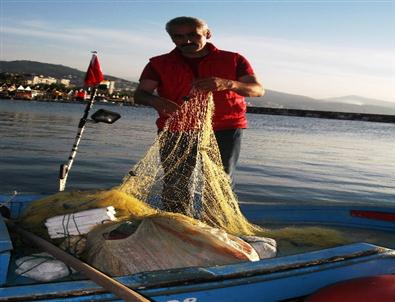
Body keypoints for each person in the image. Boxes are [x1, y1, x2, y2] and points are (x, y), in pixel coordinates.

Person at [134, 16, 264, 212]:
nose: (186, 41)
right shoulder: (158, 64)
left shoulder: (234, 59)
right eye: (178, 36)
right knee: (175, 182)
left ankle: (215, 227)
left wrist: (228, 83)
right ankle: (177, 226)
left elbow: (257, 90)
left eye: (192, 35)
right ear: (171, 38)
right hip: (176, 129)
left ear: (207, 34)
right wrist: (156, 101)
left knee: (219, 182)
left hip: (224, 128)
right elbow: (140, 94)